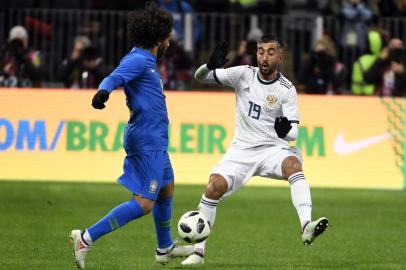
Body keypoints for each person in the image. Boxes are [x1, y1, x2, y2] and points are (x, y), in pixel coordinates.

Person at [181, 35, 329, 265]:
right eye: (261, 51)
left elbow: (293, 133)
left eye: (270, 52)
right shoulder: (243, 74)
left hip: (272, 149)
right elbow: (200, 77)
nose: (264, 57)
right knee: (214, 186)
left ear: (280, 57)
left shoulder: (287, 89)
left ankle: (306, 225)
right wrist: (208, 65)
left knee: (293, 166)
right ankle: (198, 253)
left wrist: (284, 131)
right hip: (242, 150)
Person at [69, 3, 193, 269]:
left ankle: (164, 248)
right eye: (168, 35)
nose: (170, 40)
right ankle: (86, 238)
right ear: (159, 38)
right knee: (145, 202)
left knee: (166, 189)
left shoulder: (147, 61)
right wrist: (102, 92)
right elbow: (114, 77)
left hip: (155, 140)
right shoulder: (138, 59)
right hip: (146, 140)